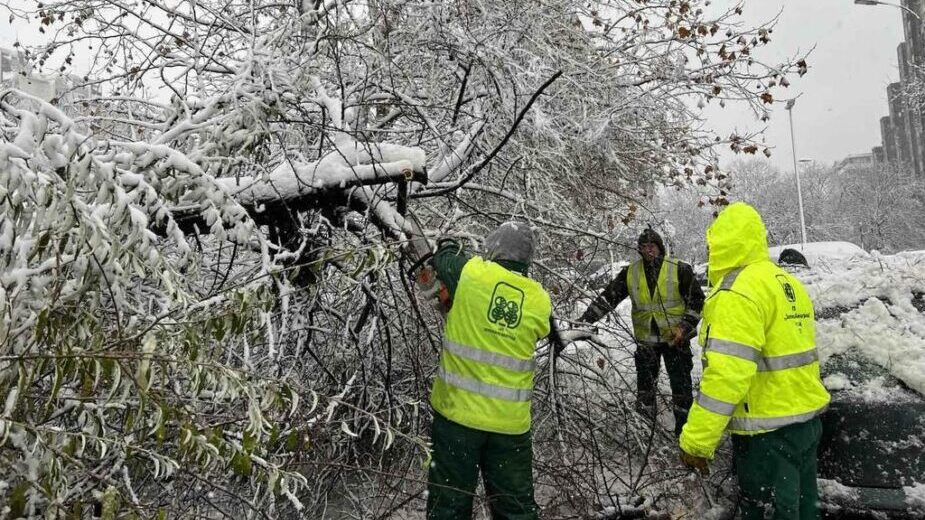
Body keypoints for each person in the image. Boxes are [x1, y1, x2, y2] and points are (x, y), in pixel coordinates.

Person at [679, 202, 831, 519]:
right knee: (802, 512)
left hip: (767, 436)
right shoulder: (786, 282)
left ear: (721, 244)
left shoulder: (737, 293)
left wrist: (697, 441)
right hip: (805, 426)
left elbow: (726, 376)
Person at [426, 221, 557, 520]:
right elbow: (540, 328)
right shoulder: (539, 298)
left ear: (493, 248)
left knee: (449, 505)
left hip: (457, 419)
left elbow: (443, 258)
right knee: (515, 509)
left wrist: (448, 244)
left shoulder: (472, 273)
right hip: (510, 428)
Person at [578, 229, 705, 436]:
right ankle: (645, 430)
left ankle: (684, 433)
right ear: (639, 249)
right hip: (646, 342)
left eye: (652, 246)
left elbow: (697, 301)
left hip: (676, 340)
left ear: (660, 248)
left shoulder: (679, 269)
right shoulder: (630, 272)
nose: (648, 251)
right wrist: (586, 319)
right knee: (645, 389)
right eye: (644, 247)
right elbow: (609, 297)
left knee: (681, 388)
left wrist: (683, 327)